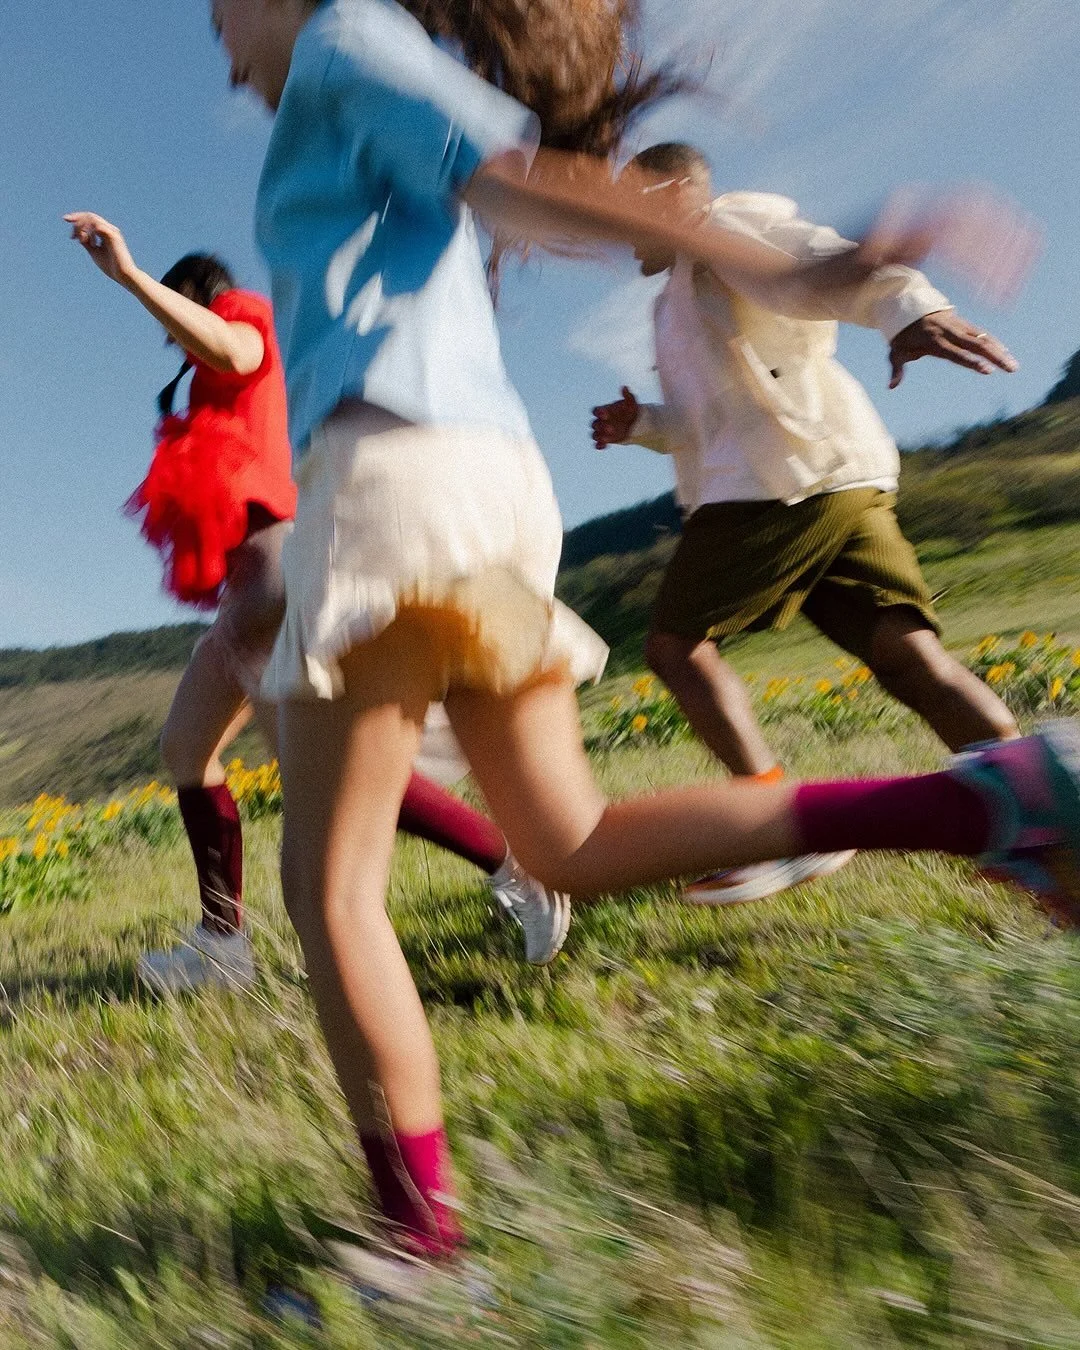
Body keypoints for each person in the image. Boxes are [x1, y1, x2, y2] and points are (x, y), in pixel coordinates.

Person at [210, 0, 1068, 1261]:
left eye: (216, 13)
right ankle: (993, 801)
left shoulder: (344, 33)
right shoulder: (347, 77)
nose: (221, 46)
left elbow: (507, 176)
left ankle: (417, 1252)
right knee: (568, 843)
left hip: (396, 471)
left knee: (332, 892)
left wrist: (787, 270)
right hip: (486, 487)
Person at [64, 219, 573, 991]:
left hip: (271, 582)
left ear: (199, 295)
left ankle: (519, 869)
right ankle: (220, 942)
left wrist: (132, 279)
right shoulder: (213, 371)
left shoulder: (245, 318)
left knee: (340, 774)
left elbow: (236, 352)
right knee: (186, 751)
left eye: (177, 317)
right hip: (247, 596)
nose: (176, 343)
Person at [592, 142, 1025, 904]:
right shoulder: (679, 299)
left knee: (675, 647)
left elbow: (818, 267)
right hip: (833, 477)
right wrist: (641, 424)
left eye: (629, 212)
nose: (622, 235)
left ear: (670, 197)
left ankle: (775, 828)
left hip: (776, 489)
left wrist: (912, 307)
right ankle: (1046, 807)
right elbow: (711, 419)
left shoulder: (730, 227)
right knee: (907, 655)